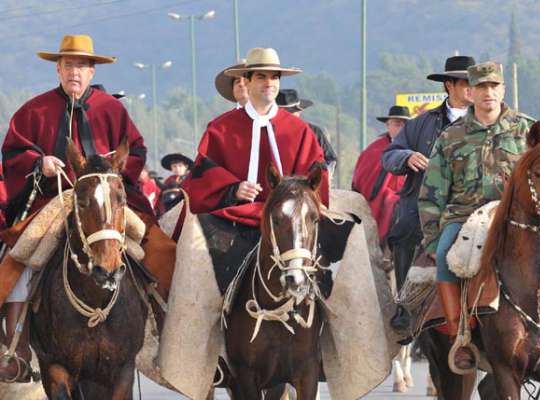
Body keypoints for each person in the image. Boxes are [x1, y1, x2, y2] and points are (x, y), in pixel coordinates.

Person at [0, 34, 176, 381]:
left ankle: (164, 335)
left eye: (82, 66)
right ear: (58, 69)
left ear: (92, 71)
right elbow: (13, 152)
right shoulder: (34, 110)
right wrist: (40, 162)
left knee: (162, 249)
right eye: (69, 65)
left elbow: (136, 151)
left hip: (106, 198)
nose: (75, 72)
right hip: (56, 198)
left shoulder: (113, 109)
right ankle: (15, 346)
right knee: (18, 254)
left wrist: (114, 170)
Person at [418, 61, 535, 372]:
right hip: (463, 217)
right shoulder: (450, 137)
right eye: (482, 87)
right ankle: (462, 336)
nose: (488, 93)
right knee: (444, 254)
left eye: (494, 86)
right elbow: (431, 194)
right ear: (469, 92)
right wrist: (432, 238)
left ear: (503, 90)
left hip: (516, 219)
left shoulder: (526, 130)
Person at [185, 47, 329, 229]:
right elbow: (203, 176)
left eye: (274, 77)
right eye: (261, 77)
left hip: (290, 222)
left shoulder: (299, 130)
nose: (269, 83)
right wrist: (233, 189)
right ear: (247, 81)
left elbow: (315, 173)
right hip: (232, 220)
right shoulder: (220, 128)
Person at [381, 55, 476, 330]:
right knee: (403, 230)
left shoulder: (483, 121)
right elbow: (389, 155)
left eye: (475, 83)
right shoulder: (420, 123)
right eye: (465, 82)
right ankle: (405, 306)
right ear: (449, 85)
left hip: (472, 205)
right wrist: (407, 156)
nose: (473, 88)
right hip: (423, 205)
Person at [352, 105, 410, 245]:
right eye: (397, 124)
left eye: (405, 125)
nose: (401, 128)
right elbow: (362, 181)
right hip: (378, 201)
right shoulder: (374, 150)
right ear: (387, 125)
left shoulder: (419, 147)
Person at [276, 88, 338, 173]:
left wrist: (317, 178)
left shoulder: (314, 131)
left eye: (291, 113)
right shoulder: (267, 131)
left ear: (300, 111)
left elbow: (331, 160)